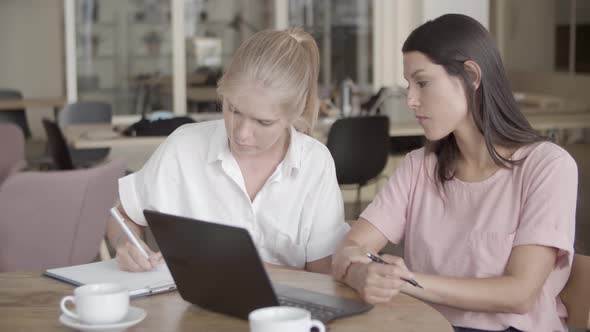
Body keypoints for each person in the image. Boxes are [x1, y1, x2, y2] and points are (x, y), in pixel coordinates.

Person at [332, 14, 577, 332]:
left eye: (422, 82)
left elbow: (519, 294)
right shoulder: (419, 166)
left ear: (471, 75)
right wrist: (360, 273)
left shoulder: (548, 166)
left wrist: (404, 281)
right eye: (408, 85)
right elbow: (348, 248)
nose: (410, 99)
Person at [106, 27, 349, 275]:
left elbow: (323, 278)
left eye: (263, 122)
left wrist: (239, 269)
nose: (241, 133)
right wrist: (124, 245)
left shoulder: (315, 163)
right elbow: (122, 215)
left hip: (285, 312)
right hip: (191, 310)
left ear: (293, 115)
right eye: (233, 109)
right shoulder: (183, 146)